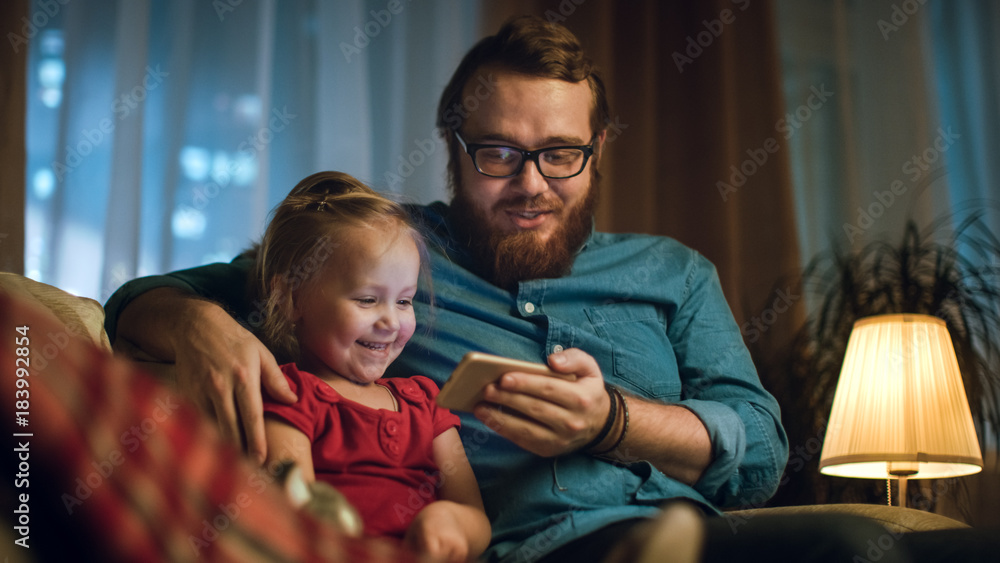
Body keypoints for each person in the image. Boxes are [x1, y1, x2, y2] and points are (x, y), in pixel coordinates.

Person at [107, 14, 988, 563]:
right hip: (536, 547)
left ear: (597, 152)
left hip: (709, 534)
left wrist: (615, 422)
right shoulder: (378, 255)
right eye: (499, 154)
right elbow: (156, 297)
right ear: (455, 150)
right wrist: (193, 320)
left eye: (561, 154)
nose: (532, 184)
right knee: (854, 545)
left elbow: (760, 450)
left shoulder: (673, 272)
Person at [249, 171, 491, 562]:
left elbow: (476, 519)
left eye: (404, 301)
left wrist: (452, 523)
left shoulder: (427, 402)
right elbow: (292, 514)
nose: (391, 322)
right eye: (367, 300)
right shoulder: (290, 395)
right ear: (291, 300)